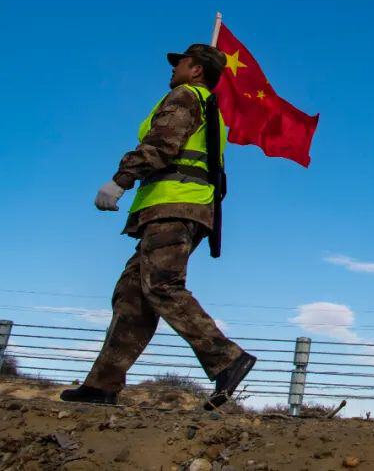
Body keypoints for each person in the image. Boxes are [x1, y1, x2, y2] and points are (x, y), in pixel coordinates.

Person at [61, 44, 255, 409]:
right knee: (133, 295)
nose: (173, 68)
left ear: (196, 69)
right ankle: (102, 384)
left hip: (174, 205)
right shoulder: (208, 107)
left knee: (162, 286)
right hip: (182, 207)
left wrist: (121, 180)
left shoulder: (185, 97)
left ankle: (226, 358)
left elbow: (162, 145)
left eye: (179, 62)